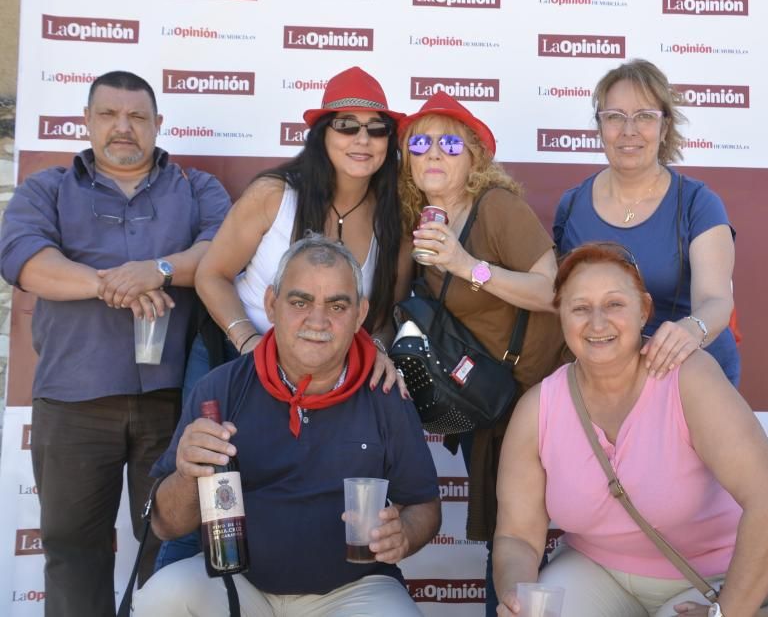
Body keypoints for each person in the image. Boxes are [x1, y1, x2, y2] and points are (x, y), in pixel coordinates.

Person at [156, 66, 409, 569]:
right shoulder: (277, 192)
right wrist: (250, 344)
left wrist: (379, 346)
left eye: (376, 127)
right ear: (322, 134)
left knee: (284, 499)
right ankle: (174, 590)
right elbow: (211, 273)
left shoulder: (392, 214)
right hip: (231, 360)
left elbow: (381, 312)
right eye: (347, 125)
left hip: (320, 380)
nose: (363, 138)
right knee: (203, 498)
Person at [0, 70, 231, 617]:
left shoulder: (198, 189)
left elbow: (223, 253)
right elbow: (26, 262)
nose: (122, 128)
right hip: (73, 403)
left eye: (137, 117)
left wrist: (159, 268)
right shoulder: (47, 188)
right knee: (74, 552)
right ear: (86, 122)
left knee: (171, 549)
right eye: (108, 115)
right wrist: (115, 285)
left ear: (158, 125)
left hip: (173, 405)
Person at [132, 235, 441, 616]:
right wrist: (186, 473)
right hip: (240, 582)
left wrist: (405, 534)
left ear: (360, 314)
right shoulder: (221, 389)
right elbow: (166, 526)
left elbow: (423, 504)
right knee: (163, 596)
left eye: (337, 305)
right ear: (271, 304)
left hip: (353, 590)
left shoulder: (385, 391)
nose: (318, 320)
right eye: (300, 301)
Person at [493, 243, 768, 617]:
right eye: (580, 308)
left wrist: (727, 614)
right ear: (561, 317)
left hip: (710, 578)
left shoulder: (689, 378)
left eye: (615, 304)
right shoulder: (538, 407)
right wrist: (516, 596)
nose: (598, 322)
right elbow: (517, 537)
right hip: (596, 570)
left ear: (645, 311)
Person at [397, 90, 564, 615]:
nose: (434, 154)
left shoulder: (496, 208)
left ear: (474, 157)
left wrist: (468, 265)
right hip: (483, 404)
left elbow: (553, 293)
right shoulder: (417, 222)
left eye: (450, 142)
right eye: (420, 143)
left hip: (536, 399)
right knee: (504, 536)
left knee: (525, 533)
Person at [553, 59, 740, 385]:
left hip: (689, 375)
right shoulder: (571, 206)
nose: (629, 131)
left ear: (664, 127)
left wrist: (689, 331)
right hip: (606, 380)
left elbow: (717, 302)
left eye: (644, 117)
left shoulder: (698, 203)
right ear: (600, 127)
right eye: (614, 117)